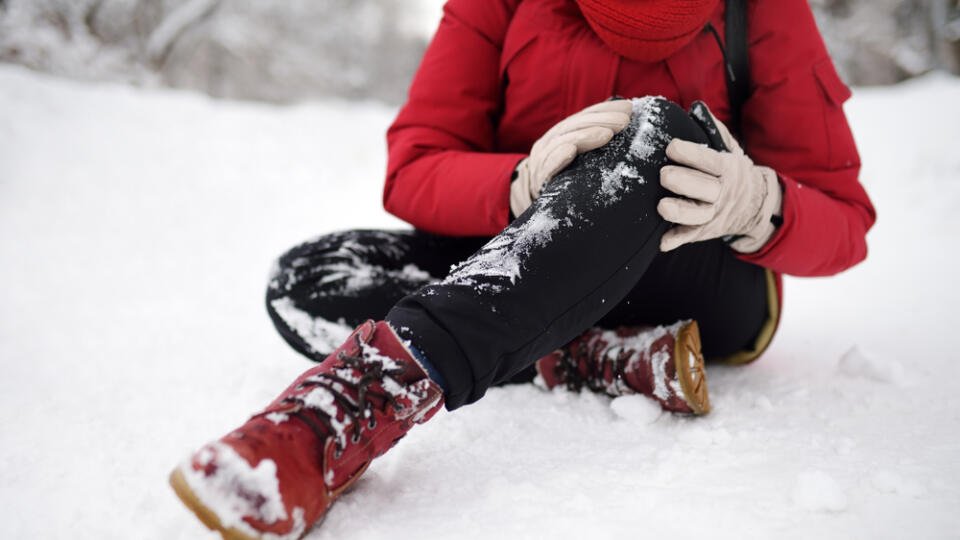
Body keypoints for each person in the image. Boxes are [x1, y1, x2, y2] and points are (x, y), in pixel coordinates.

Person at [169, 0, 876, 538]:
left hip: (694, 279)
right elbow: (415, 164)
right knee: (312, 278)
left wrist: (758, 202)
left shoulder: (762, 8)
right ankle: (579, 355)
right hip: (520, 248)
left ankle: (362, 398)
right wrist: (519, 181)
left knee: (655, 135)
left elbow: (845, 217)